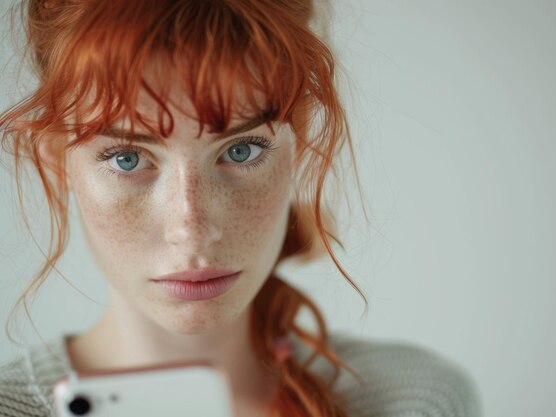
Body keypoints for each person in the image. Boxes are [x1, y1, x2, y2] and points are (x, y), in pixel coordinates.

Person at [0, 1, 482, 416]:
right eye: (128, 158)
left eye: (241, 151)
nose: (192, 231)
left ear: (301, 142)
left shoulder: (415, 400)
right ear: (58, 162)